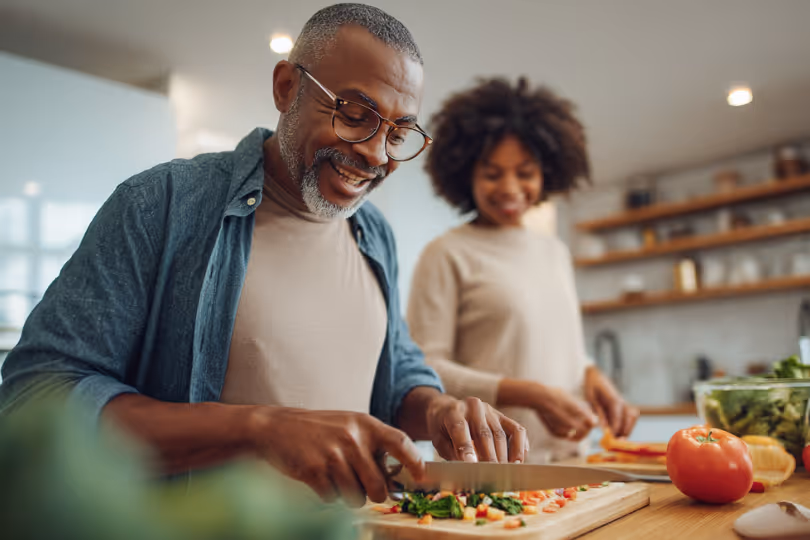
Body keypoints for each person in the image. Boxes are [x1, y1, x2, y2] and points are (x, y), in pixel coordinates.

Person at [0, 4, 529, 507]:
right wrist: (257, 429)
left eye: (397, 132)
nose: (375, 152)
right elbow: (36, 395)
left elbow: (396, 373)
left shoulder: (374, 233)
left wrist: (437, 408)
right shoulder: (161, 204)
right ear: (287, 87)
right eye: (354, 112)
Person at [406, 77, 638, 464]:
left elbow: (566, 348)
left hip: (572, 458)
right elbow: (426, 370)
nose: (510, 188)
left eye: (525, 172)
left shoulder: (555, 251)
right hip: (492, 468)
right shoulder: (446, 253)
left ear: (547, 173)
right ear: (467, 174)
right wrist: (529, 393)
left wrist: (594, 378)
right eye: (493, 174)